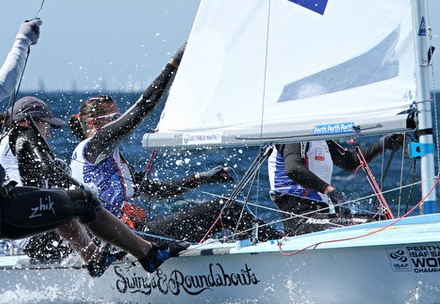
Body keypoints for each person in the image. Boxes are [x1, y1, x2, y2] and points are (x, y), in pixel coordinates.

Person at [0, 19, 181, 277]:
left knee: (56, 202)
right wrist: (23, 39)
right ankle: (150, 255)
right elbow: (3, 85)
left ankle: (93, 258)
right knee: (84, 202)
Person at [69, 45, 282, 243]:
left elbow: (153, 189)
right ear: (95, 123)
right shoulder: (94, 146)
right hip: (124, 239)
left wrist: (200, 179)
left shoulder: (101, 157)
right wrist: (174, 65)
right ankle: (284, 245)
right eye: (114, 116)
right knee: (226, 210)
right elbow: (144, 105)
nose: (120, 120)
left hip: (123, 237)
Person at [0, 96, 77, 262]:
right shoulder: (24, 137)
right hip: (35, 236)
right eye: (45, 126)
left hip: (16, 231)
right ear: (29, 122)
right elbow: (50, 174)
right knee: (97, 224)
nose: (48, 134)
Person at [267, 135, 404, 236]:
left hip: (318, 215)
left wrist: (383, 143)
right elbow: (293, 169)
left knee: (381, 221)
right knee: (373, 224)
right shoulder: (296, 134)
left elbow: (351, 162)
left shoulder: (320, 137)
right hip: (299, 219)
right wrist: (329, 190)